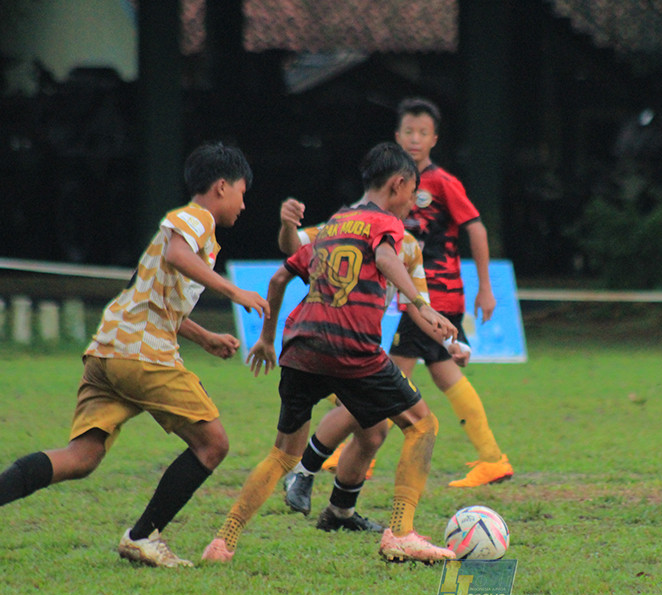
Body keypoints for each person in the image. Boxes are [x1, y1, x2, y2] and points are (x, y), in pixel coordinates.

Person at [0, 142, 269, 567]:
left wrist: (204, 336)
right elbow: (178, 255)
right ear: (221, 187)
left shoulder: (183, 230)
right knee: (213, 444)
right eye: (243, 192)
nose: (244, 204)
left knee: (82, 457)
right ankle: (142, 536)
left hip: (109, 352)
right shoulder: (194, 218)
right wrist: (232, 290)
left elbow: (148, 296)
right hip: (143, 356)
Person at [201, 142, 459, 564]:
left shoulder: (336, 224)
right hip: (350, 345)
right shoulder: (384, 224)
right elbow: (386, 256)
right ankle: (401, 532)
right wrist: (421, 304)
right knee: (422, 425)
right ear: (397, 185)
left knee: (283, 453)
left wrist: (265, 338)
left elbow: (281, 276)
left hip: (300, 346)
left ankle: (223, 541)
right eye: (412, 193)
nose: (413, 204)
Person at [276, 198, 470, 519]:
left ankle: (339, 512)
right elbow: (293, 246)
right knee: (381, 412)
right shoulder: (348, 224)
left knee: (375, 431)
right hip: (338, 340)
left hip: (355, 342)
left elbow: (417, 305)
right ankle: (303, 470)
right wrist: (287, 226)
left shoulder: (407, 248)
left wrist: (448, 342)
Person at [390, 97, 513, 487]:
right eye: (409, 131)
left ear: (434, 139)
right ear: (397, 136)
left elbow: (475, 228)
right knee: (445, 376)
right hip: (416, 295)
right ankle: (492, 457)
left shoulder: (443, 182)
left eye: (422, 132)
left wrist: (486, 289)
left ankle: (352, 452)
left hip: (436, 296)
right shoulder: (397, 182)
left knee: (388, 377)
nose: (415, 138)